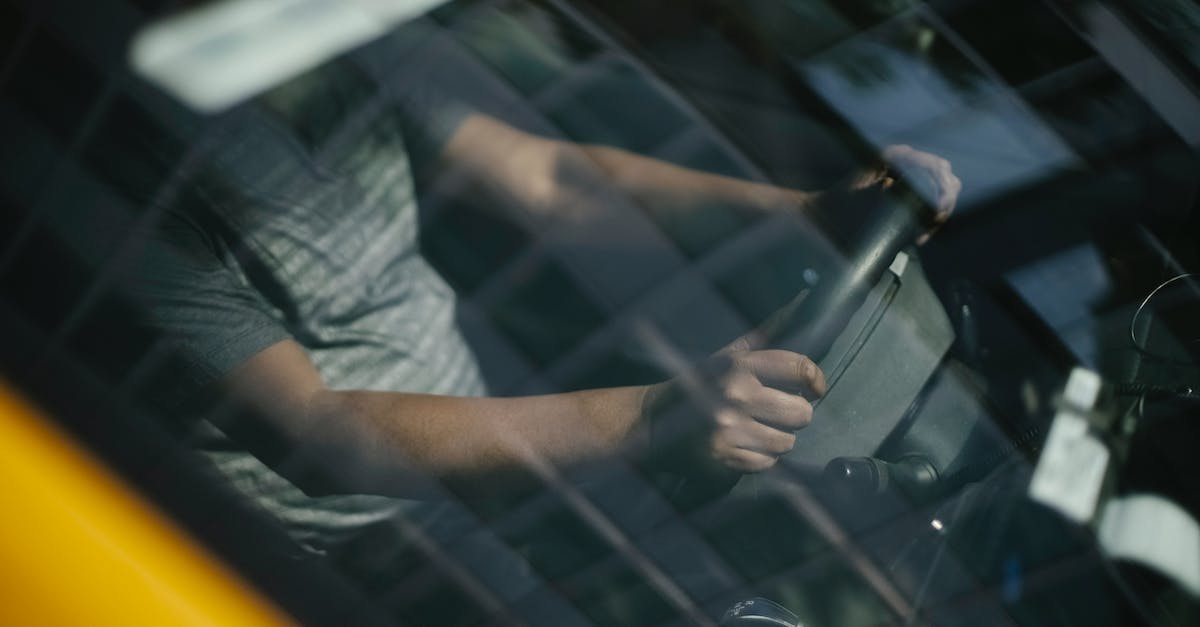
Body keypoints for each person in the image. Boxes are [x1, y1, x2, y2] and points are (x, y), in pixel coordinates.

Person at [133, 15, 959, 595]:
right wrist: (653, 416)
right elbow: (314, 433)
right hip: (321, 558)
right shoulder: (105, 157)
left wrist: (803, 211)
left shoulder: (340, 34)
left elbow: (553, 181)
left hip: (491, 474)